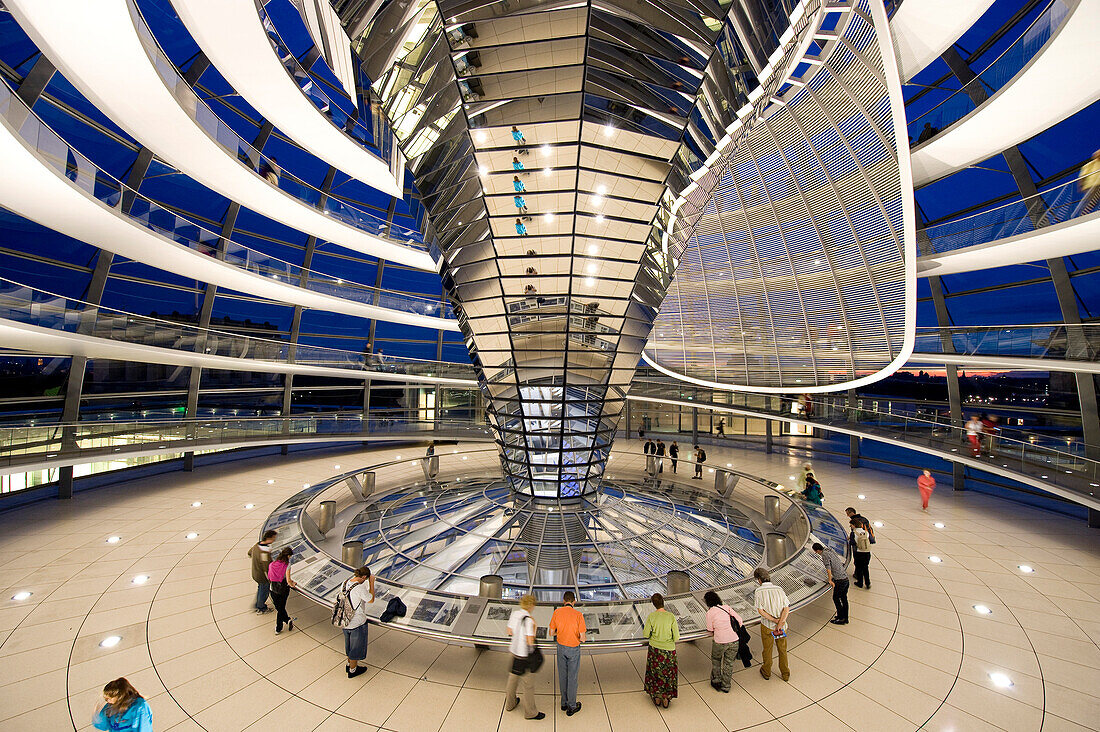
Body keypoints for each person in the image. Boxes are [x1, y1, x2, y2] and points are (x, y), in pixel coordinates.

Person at [505, 594, 545, 720]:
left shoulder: (515, 614)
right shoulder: (529, 620)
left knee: (512, 680)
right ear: (531, 605)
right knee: (528, 685)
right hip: (524, 656)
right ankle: (530, 712)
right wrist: (534, 628)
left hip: (514, 653)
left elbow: (509, 631)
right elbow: (530, 642)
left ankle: (510, 704)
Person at [548, 591, 585, 716]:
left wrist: (562, 633)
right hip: (573, 648)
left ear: (564, 601)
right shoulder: (578, 614)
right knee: (572, 677)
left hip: (561, 648)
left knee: (562, 675)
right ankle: (572, 706)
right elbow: (583, 638)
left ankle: (563, 703)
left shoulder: (557, 612)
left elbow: (551, 633)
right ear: (573, 602)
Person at [642, 593, 679, 708]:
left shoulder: (651, 616)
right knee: (668, 673)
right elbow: (676, 637)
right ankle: (666, 698)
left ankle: (657, 697)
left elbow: (646, 634)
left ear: (653, 604)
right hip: (669, 650)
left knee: (655, 673)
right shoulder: (671, 616)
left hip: (655, 650)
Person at [753, 567, 790, 681]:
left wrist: (773, 621)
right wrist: (780, 623)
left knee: (767, 649)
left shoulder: (759, 591)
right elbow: (786, 608)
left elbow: (760, 610)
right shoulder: (779, 589)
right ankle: (785, 674)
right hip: (782, 626)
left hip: (767, 626)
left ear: (759, 580)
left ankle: (766, 671)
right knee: (782, 649)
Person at [703, 590, 744, 693]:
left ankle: (716, 681)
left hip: (720, 641)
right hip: (734, 640)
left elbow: (710, 629)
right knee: (729, 663)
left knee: (716, 660)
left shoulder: (710, 612)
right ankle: (726, 686)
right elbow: (739, 620)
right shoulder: (727, 608)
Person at [342, 566, 375, 677]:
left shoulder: (345, 582)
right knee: (356, 648)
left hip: (345, 620)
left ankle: (349, 664)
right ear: (364, 576)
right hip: (357, 622)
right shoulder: (359, 588)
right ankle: (353, 670)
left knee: (349, 645)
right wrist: (371, 584)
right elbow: (371, 599)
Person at [814, 542, 848, 624]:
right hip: (845, 578)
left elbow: (828, 568)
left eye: (816, 551)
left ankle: (840, 618)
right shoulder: (829, 550)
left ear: (818, 550)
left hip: (840, 580)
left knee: (836, 598)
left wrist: (830, 580)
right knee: (844, 598)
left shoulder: (824, 555)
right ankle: (845, 617)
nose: (816, 553)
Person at [268, 547, 297, 634]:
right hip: (283, 590)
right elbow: (288, 580)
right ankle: (279, 627)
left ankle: (287, 621)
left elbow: (269, 576)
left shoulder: (272, 564)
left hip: (273, 589)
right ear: (288, 556)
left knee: (279, 608)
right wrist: (293, 584)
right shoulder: (287, 565)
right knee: (281, 609)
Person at [248, 529, 277, 613]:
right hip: (262, 577)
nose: (274, 540)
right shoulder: (264, 553)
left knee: (260, 588)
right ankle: (261, 607)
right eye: (273, 538)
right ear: (269, 538)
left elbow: (249, 553)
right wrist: (270, 579)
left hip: (255, 573)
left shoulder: (256, 545)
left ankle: (257, 604)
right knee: (264, 591)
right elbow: (266, 568)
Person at [850, 519, 872, 589]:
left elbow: (852, 543)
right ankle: (868, 583)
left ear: (854, 525)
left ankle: (860, 582)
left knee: (859, 568)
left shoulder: (853, 533)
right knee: (865, 568)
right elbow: (870, 540)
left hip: (859, 553)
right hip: (867, 552)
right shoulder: (866, 532)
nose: (850, 526)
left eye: (851, 525)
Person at [1077, 149, 1100, 215]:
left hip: (1097, 184)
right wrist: (1080, 186)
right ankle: (1082, 216)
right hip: (1092, 185)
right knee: (1090, 202)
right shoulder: (1089, 165)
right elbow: (1082, 177)